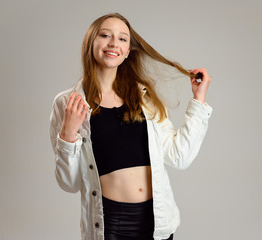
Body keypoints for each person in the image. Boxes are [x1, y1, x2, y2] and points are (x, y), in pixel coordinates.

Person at [49, 13, 213, 240]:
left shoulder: (144, 99)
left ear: (127, 52)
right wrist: (68, 133)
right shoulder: (68, 104)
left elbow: (179, 156)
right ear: (91, 43)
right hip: (110, 223)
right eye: (105, 35)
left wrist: (198, 100)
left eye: (123, 39)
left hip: (157, 222)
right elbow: (70, 183)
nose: (114, 43)